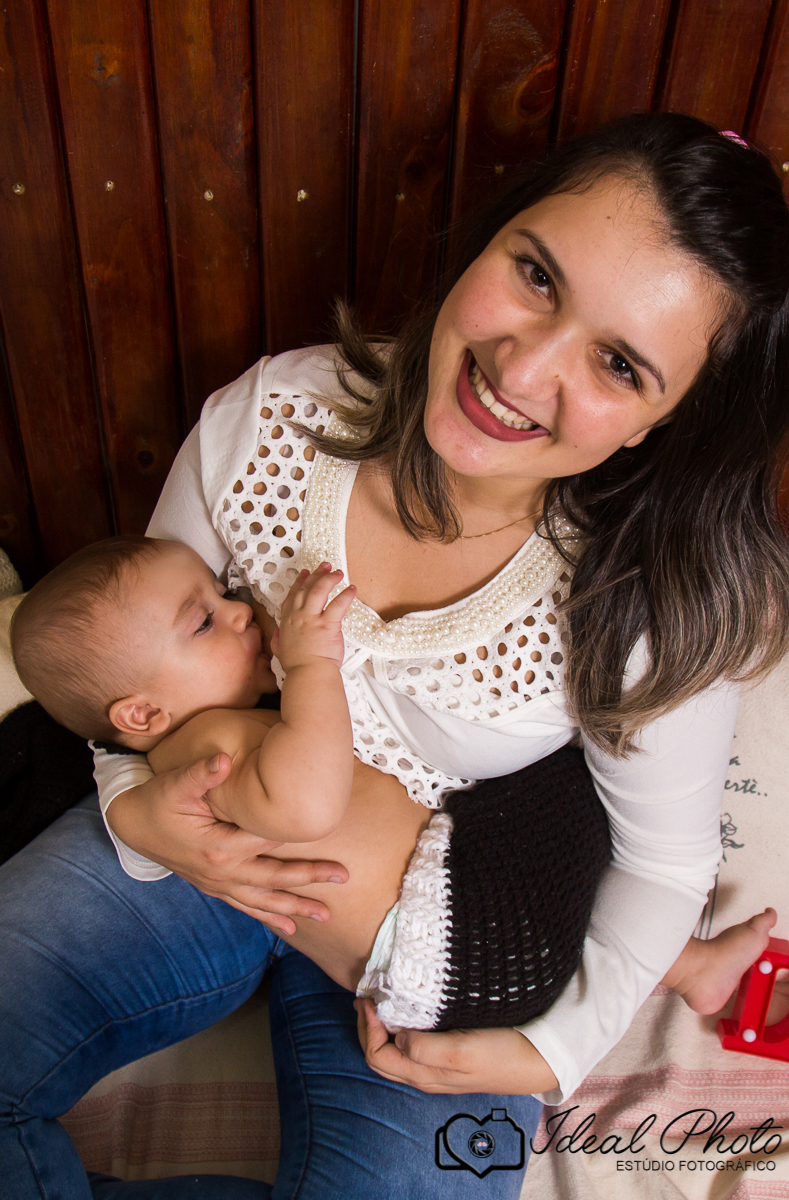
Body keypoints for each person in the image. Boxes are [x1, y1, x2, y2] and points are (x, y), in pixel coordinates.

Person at [2, 112, 789, 1198]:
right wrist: (144, 814)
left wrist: (555, 1051)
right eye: (535, 275)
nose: (523, 368)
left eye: (617, 363)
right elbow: (130, 669)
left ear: (665, 420)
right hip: (202, 851)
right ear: (488, 237)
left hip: (440, 932)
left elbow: (663, 866)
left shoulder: (643, 597)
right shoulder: (269, 418)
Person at [12, 535, 770, 1038]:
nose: (242, 610)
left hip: (433, 964)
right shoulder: (207, 745)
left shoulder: (193, 739)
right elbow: (309, 805)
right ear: (142, 713)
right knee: (561, 780)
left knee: (556, 867)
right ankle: (678, 962)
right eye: (205, 621)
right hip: (461, 933)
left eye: (223, 591)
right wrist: (310, 668)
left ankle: (686, 967)